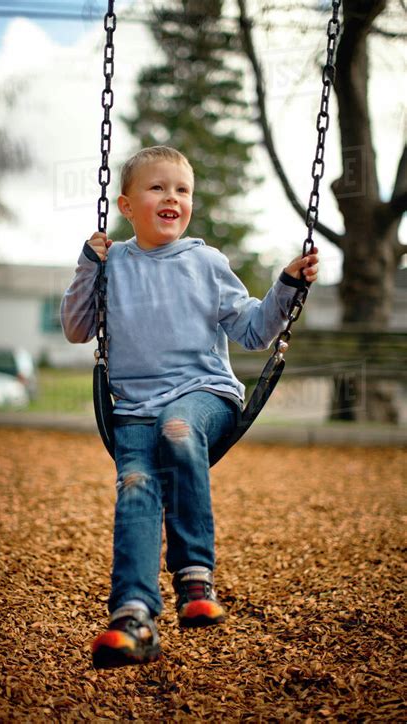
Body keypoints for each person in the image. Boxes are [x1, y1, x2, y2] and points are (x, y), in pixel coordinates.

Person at [61, 146, 318, 669]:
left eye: (182, 190)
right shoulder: (114, 266)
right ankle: (133, 617)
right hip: (132, 410)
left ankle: (194, 575)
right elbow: (75, 329)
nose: (172, 197)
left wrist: (287, 284)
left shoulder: (206, 262)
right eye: (157, 188)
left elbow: (251, 330)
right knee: (136, 488)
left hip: (205, 397)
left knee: (178, 429)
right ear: (128, 206)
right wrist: (90, 263)